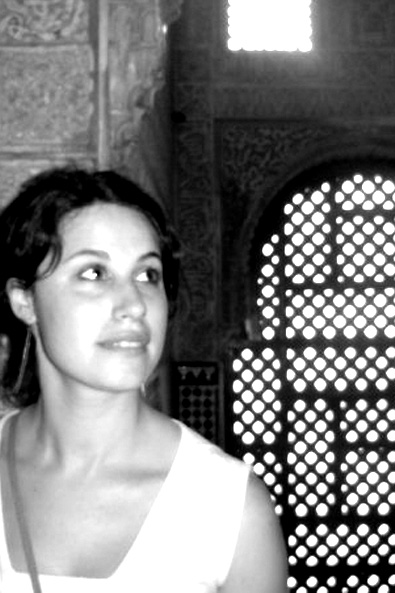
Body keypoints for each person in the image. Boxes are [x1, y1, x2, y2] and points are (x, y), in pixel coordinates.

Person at [0, 167, 289, 593]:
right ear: (25, 301)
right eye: (94, 273)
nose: (134, 304)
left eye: (147, 275)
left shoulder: (227, 507)